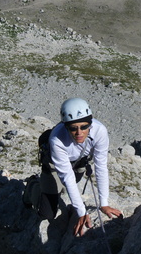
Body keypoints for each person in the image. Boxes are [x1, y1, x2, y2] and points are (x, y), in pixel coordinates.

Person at [23, 97, 123, 236]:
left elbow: (101, 167)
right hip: (53, 163)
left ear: (90, 124)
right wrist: (81, 212)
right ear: (66, 126)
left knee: (69, 185)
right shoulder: (57, 140)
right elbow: (67, 176)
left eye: (84, 127)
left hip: (78, 161)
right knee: (47, 213)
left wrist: (104, 203)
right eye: (73, 128)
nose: (79, 132)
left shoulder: (100, 131)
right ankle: (32, 185)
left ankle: (50, 187)